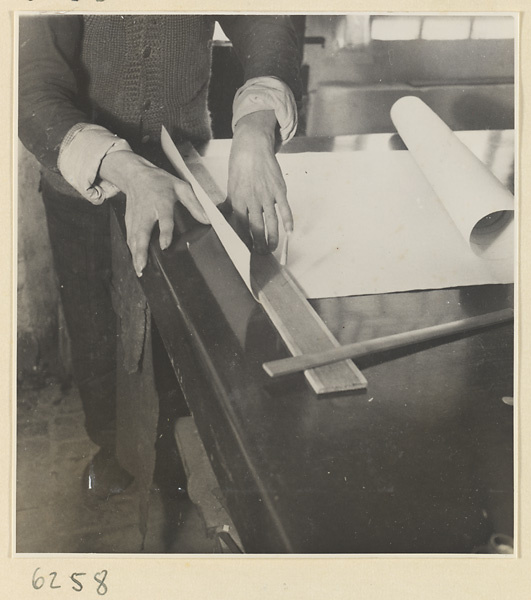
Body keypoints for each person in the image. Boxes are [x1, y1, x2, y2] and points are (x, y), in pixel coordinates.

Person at [18, 14, 301, 498]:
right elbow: (31, 88)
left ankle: (178, 455)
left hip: (182, 169)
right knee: (97, 335)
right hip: (85, 184)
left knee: (181, 338)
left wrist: (256, 124)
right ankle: (113, 451)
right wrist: (124, 168)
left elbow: (268, 18)